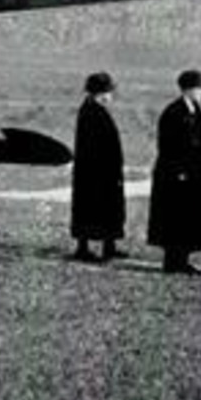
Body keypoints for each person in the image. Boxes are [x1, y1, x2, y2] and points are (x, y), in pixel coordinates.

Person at [147, 69, 201, 274]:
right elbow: (168, 146)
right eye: (200, 87)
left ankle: (181, 260)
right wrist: (179, 171)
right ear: (188, 89)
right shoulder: (174, 112)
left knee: (187, 220)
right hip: (176, 179)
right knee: (176, 220)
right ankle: (173, 262)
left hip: (191, 178)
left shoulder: (194, 111)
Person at [71, 71, 126, 261]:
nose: (110, 96)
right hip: (97, 172)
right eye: (109, 92)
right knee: (97, 208)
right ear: (101, 93)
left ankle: (106, 246)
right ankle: (87, 248)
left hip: (95, 171)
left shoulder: (90, 109)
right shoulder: (92, 112)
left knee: (99, 209)